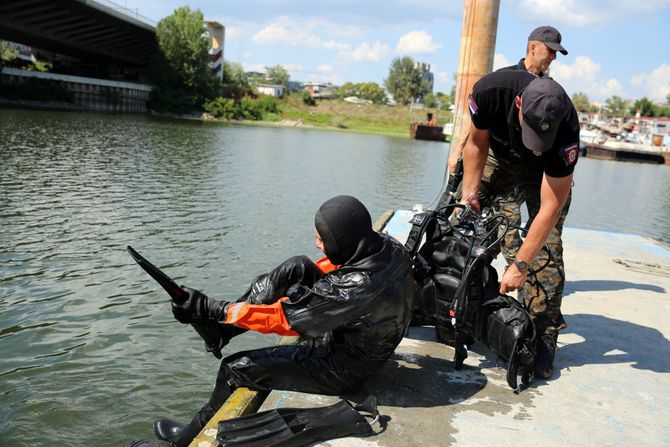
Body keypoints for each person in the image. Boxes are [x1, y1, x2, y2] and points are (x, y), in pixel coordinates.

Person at [151, 195, 416, 447]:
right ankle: (221, 333)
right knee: (297, 266)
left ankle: (189, 436)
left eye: (322, 239)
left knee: (234, 368)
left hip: (344, 368)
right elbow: (329, 271)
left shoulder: (356, 286)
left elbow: (285, 319)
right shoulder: (386, 247)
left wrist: (213, 308)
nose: (318, 245)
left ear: (343, 240)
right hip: (362, 336)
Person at [456, 70, 580, 380]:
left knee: (545, 249)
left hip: (542, 171)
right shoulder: (490, 91)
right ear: (519, 102)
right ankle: (459, 306)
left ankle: (542, 331)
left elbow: (551, 207)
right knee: (462, 225)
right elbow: (476, 143)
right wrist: (469, 195)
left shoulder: (566, 128)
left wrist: (522, 264)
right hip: (497, 157)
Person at [499, 25, 568, 76]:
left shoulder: (548, 87)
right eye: (551, 50)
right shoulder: (503, 77)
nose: (554, 57)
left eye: (555, 52)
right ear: (533, 48)